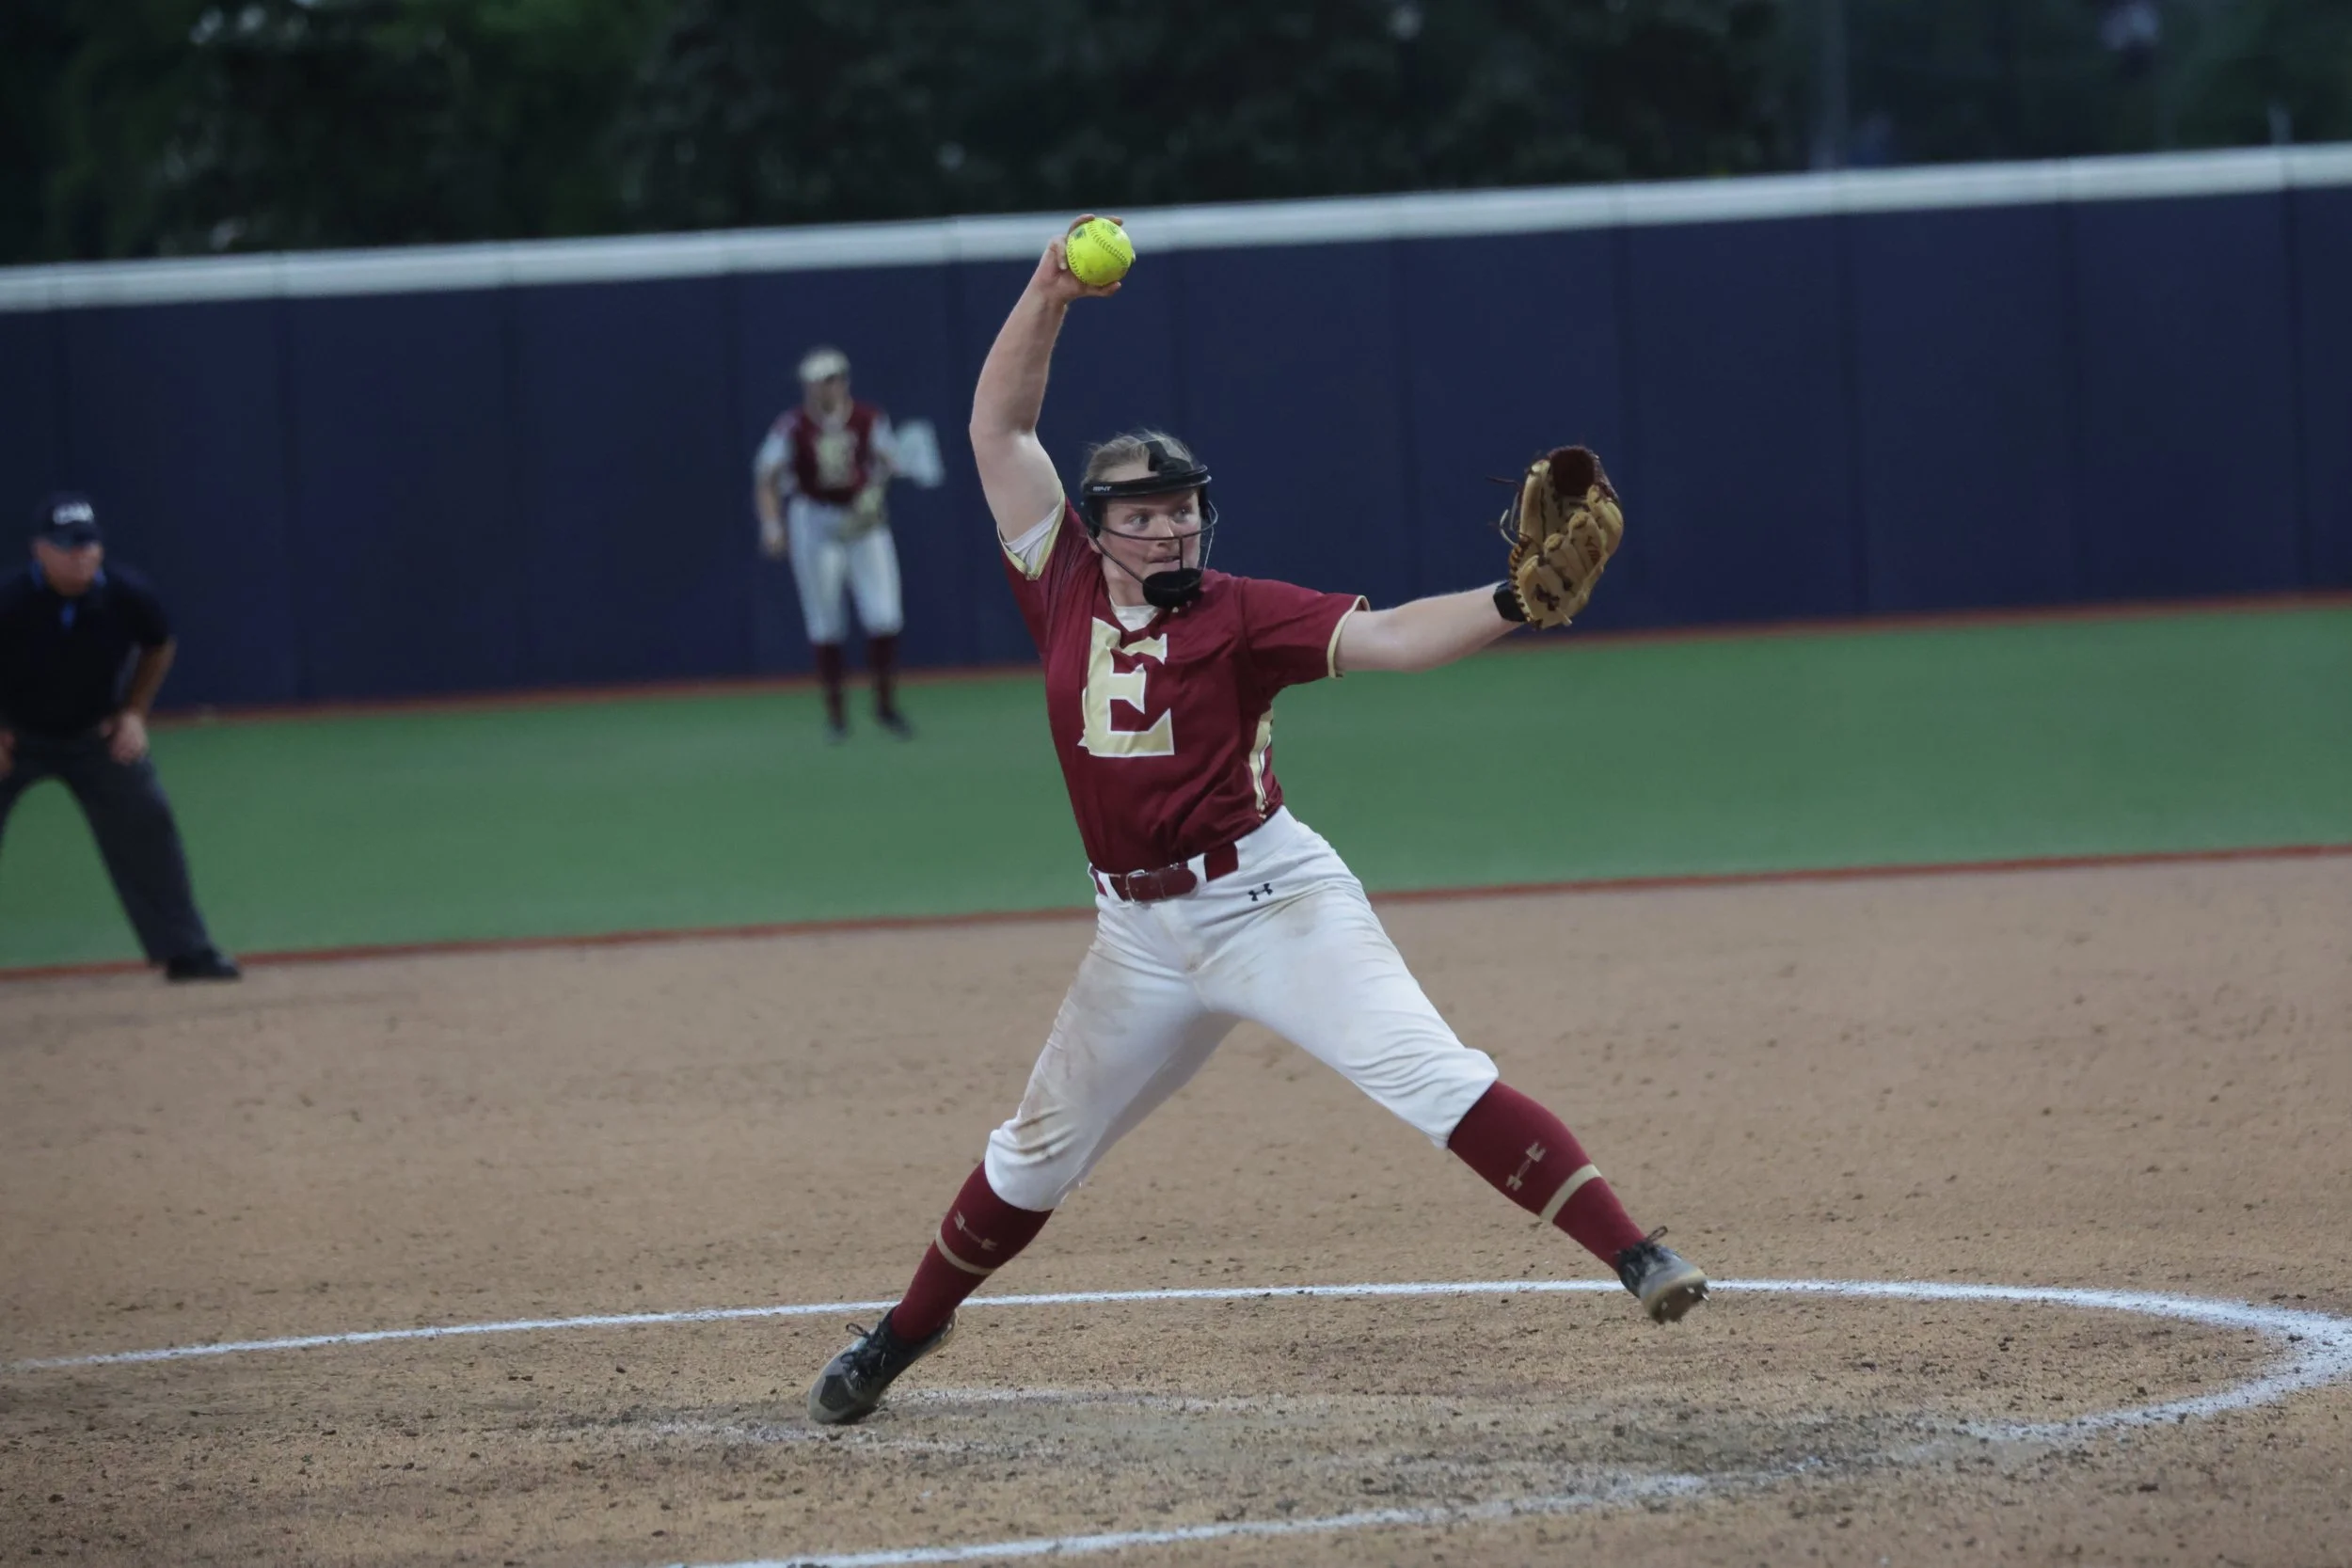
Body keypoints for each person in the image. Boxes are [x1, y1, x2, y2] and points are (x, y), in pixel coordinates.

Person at [805, 217, 1706, 1425]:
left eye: (1184, 507)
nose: (1171, 526)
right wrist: (1048, 289)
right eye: (1145, 512)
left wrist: (1510, 598)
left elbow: (1391, 637)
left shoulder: (1239, 611)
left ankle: (1636, 1252)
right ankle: (901, 1334)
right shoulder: (1058, 576)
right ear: (1097, 523)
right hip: (1136, 938)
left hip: (1271, 900)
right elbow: (998, 430)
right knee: (1033, 1153)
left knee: (1424, 1068)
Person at [0, 494, 239, 981]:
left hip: (94, 735)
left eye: (87, 544)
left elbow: (159, 645)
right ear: (39, 550)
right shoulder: (10, 599)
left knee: (146, 821)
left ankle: (185, 951)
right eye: (67, 545)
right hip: (15, 737)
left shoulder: (127, 595)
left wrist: (133, 712)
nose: (80, 555)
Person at [754, 346, 912, 742]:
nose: (824, 389)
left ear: (844, 381)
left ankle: (885, 706)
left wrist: (877, 490)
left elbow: (890, 461)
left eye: (830, 380)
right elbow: (767, 476)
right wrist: (772, 526)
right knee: (825, 619)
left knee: (884, 615)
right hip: (816, 521)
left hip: (864, 525)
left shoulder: (869, 418)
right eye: (817, 382)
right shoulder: (791, 426)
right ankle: (837, 716)